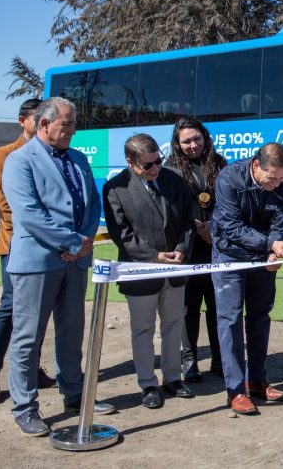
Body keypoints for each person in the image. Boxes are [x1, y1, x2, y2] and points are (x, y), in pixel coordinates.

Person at [2, 97, 114, 436]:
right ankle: (25, 407)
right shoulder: (19, 161)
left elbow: (92, 203)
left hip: (75, 260)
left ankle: (75, 393)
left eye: (73, 124)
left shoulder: (78, 159)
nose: (72, 131)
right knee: (28, 338)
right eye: (66, 125)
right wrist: (71, 243)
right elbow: (29, 213)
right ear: (43, 124)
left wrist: (83, 240)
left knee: (72, 332)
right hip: (37, 261)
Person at [212, 142, 283, 415]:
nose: (277, 184)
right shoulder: (229, 178)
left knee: (260, 316)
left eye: (282, 178)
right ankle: (235, 389)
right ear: (256, 166)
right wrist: (270, 245)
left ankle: (258, 380)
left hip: (264, 258)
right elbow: (231, 226)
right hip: (228, 256)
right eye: (272, 178)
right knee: (229, 320)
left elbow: (282, 221)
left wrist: (276, 246)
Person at [103, 133, 195, 410]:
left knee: (173, 326)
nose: (155, 168)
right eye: (148, 165)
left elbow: (187, 221)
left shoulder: (174, 179)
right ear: (131, 163)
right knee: (143, 329)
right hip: (140, 271)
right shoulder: (115, 189)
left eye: (158, 161)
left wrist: (181, 248)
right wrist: (155, 256)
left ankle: (173, 378)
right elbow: (122, 235)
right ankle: (148, 384)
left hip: (175, 270)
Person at [0, 98, 57, 405]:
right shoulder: (5, 155)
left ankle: (31, 367)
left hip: (49, 247)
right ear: (23, 120)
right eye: (38, 117)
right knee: (10, 308)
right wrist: (37, 228)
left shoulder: (55, 155)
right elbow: (3, 202)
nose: (44, 122)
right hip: (16, 245)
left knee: (39, 311)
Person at [165, 116, 227, 382]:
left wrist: (214, 224)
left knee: (217, 306)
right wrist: (196, 224)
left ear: (205, 137)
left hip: (216, 246)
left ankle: (220, 358)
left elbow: (228, 199)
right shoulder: (169, 168)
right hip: (187, 248)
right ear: (177, 144)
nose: (193, 145)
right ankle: (190, 360)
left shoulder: (219, 163)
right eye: (186, 141)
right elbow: (170, 206)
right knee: (188, 307)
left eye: (197, 139)